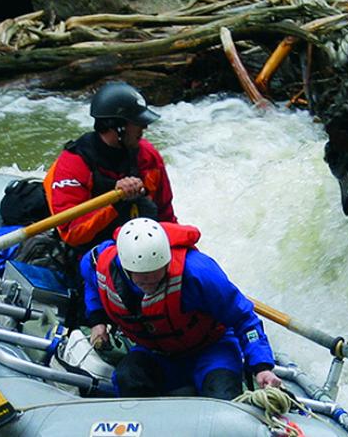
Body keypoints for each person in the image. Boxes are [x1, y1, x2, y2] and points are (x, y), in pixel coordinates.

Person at [80, 218, 283, 400]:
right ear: (125, 267)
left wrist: (261, 366)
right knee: (128, 378)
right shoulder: (100, 262)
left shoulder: (199, 272)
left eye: (156, 273)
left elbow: (244, 319)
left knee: (222, 396)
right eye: (142, 276)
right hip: (156, 354)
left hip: (211, 350)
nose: (149, 281)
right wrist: (97, 320)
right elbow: (91, 283)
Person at [44, 82, 177, 251]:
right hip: (96, 252)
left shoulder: (148, 155)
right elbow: (72, 233)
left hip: (145, 247)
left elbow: (165, 214)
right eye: (137, 122)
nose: (145, 127)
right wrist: (115, 201)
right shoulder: (73, 163)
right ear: (117, 126)